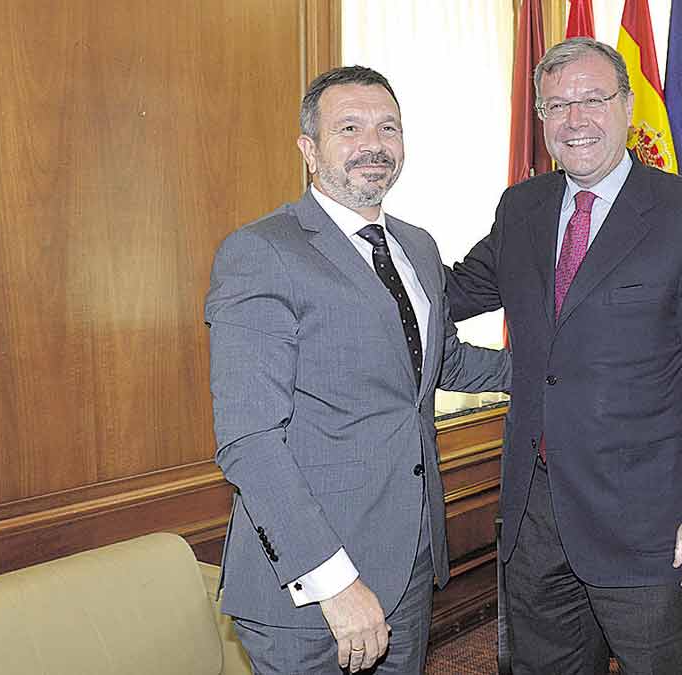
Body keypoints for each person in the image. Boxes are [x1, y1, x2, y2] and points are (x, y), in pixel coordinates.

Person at [446, 38, 682, 674]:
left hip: (652, 526)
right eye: (557, 105)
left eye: (593, 99)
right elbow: (448, 293)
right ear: (541, 119)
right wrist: (363, 250)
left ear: (626, 106)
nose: (576, 119)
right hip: (535, 519)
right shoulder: (522, 208)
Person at [205, 65, 511, 674]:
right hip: (308, 586)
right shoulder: (261, 252)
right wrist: (335, 584)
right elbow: (250, 442)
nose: (373, 144)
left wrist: (560, 366)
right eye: (349, 128)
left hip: (409, 563)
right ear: (309, 150)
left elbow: (436, 362)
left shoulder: (416, 246)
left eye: (388, 128)